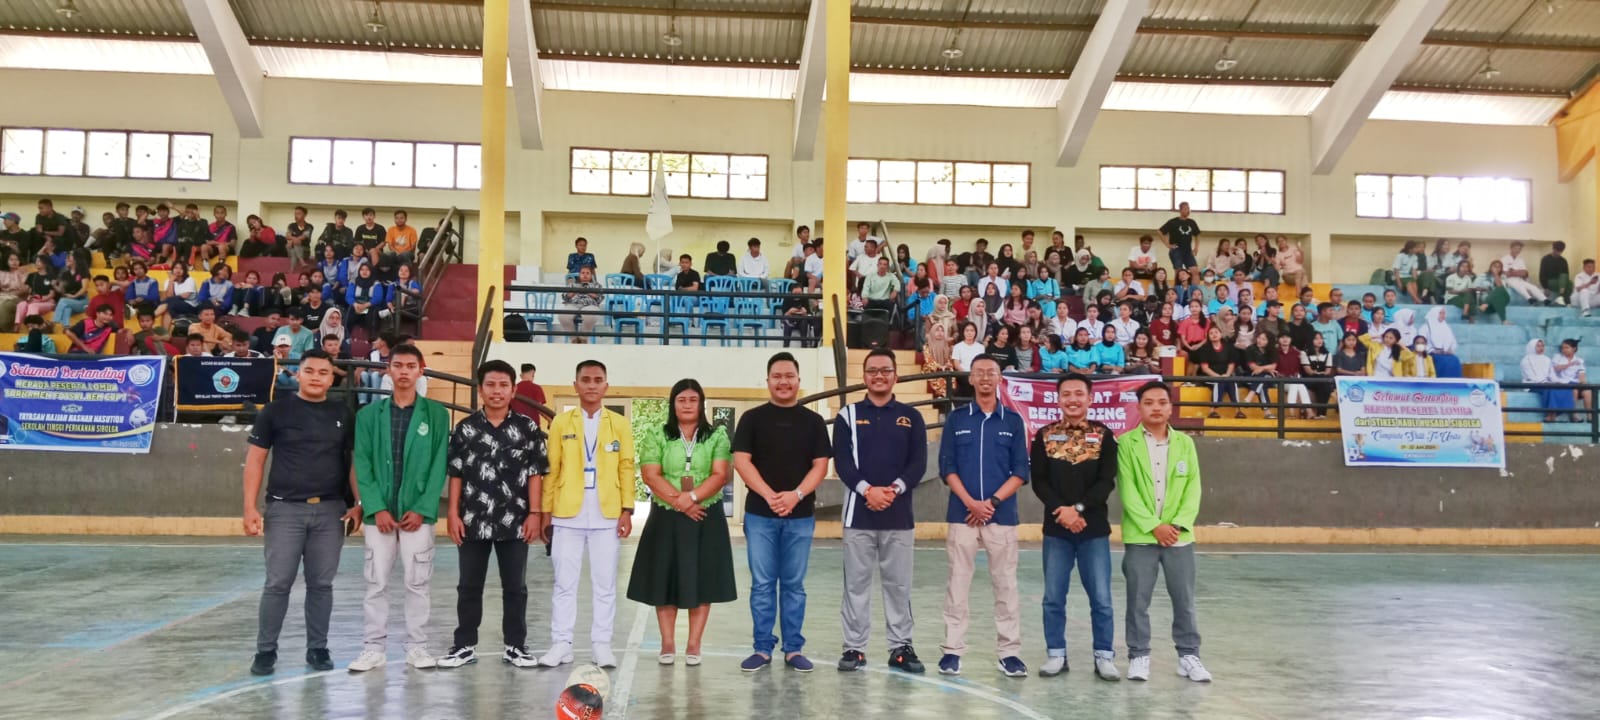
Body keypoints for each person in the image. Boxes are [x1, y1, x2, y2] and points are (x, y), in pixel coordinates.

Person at [242, 349, 360, 677]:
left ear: (332, 377)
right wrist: (249, 508)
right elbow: (255, 460)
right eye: (309, 371)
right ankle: (265, 651)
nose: (316, 377)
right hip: (284, 510)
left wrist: (359, 503)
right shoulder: (275, 412)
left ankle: (318, 649)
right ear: (298, 374)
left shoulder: (343, 413)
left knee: (321, 584)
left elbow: (352, 464)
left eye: (323, 372)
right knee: (278, 583)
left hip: (330, 511)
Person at [438, 360, 549, 670]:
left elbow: (535, 473)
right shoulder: (465, 428)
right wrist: (453, 514)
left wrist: (535, 513)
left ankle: (515, 646)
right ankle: (464, 645)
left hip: (516, 520)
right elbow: (456, 474)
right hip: (472, 520)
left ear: (513, 389)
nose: (497, 391)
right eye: (491, 384)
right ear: (480, 389)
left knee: (516, 586)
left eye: (503, 385)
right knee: (468, 586)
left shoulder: (527, 428)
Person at [347, 344, 450, 673]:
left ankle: (417, 647)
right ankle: (373, 648)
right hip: (381, 516)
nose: (404, 372)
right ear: (387, 371)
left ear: (421, 370)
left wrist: (422, 507)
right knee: (376, 582)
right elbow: (362, 464)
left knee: (417, 582)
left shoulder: (436, 414)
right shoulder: (367, 417)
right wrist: (375, 508)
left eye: (410, 366)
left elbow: (438, 467)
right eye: (397, 365)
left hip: (417, 516)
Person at [733, 352, 832, 672]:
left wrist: (796, 495)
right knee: (762, 584)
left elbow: (821, 465)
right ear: (768, 381)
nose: (783, 381)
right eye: (777, 376)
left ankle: (793, 648)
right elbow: (742, 461)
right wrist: (771, 496)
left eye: (789, 376)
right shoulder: (751, 419)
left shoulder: (813, 422)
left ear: (798, 380)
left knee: (793, 584)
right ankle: (762, 648)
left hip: (800, 516)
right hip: (760, 516)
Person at [628, 379, 737, 667]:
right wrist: (680, 501)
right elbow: (651, 473)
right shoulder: (657, 434)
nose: (687, 405)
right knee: (665, 577)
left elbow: (720, 474)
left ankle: (694, 643)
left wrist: (692, 498)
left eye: (692, 400)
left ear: (701, 403)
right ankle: (667, 641)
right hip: (666, 515)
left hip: (706, 514)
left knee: (703, 579)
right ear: (672, 404)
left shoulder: (716, 436)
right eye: (681, 400)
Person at [831, 350, 927, 674]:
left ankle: (900, 647)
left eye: (885, 370)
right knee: (855, 585)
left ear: (895, 375)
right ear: (865, 376)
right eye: (872, 370)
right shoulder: (847, 416)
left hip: (899, 518)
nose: (879, 375)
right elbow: (843, 463)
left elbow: (918, 464)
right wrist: (867, 491)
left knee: (898, 585)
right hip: (858, 517)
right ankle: (854, 649)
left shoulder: (911, 417)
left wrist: (893, 490)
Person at [936, 354, 1030, 678]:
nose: (986, 378)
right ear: (971, 379)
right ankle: (952, 651)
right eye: (980, 373)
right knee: (957, 585)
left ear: (1000, 378)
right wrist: (970, 503)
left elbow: (1020, 471)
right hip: (962, 516)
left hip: (1001, 517)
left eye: (992, 372)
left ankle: (1009, 653)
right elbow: (947, 467)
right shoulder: (957, 419)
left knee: (1005, 586)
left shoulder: (1013, 422)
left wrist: (989, 502)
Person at [540, 360, 635, 669]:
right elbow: (552, 469)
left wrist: (626, 509)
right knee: (564, 583)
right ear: (575, 385)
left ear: (606, 386)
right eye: (586, 380)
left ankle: (601, 644)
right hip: (567, 513)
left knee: (605, 583)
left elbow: (626, 467)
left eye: (598, 380)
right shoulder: (561, 423)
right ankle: (561, 643)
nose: (592, 385)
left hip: (607, 513)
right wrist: (545, 512)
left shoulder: (619, 424)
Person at [1031, 374, 1121, 680]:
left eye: (1078, 394)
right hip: (1057, 531)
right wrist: (1062, 511)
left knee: (1101, 599)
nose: (1072, 399)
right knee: (1053, 597)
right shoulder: (1044, 435)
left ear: (1089, 398)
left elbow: (1106, 481)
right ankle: (1056, 653)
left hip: (1093, 530)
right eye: (1066, 394)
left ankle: (1104, 656)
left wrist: (1079, 510)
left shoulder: (1104, 436)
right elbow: (1040, 481)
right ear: (1058, 399)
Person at [1118, 382, 1210, 683]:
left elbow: (1193, 489)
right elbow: (1128, 491)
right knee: (1137, 600)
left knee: (1184, 599)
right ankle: (1139, 655)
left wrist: (1179, 525)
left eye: (1161, 402)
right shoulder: (1126, 444)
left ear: (1170, 407)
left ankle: (1188, 656)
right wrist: (1153, 526)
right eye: (1148, 402)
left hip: (1179, 538)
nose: (1155, 407)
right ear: (1139, 407)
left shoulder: (1185, 444)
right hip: (1141, 536)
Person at [1521, 340, 1573, 422]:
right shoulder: (1526, 360)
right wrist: (1546, 382)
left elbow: (1551, 374)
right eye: (1538, 346)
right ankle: (1549, 415)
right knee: (1549, 388)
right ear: (1532, 347)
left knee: (1564, 387)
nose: (1541, 348)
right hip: (1532, 384)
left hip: (1547, 383)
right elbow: (1531, 377)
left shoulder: (1547, 359)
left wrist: (1558, 381)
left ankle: (1557, 413)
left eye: (1542, 346)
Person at [562, 265, 604, 343]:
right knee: (563, 316)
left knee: (591, 315)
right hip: (573, 304)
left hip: (590, 305)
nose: (585, 275)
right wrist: (574, 292)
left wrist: (588, 291)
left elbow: (600, 298)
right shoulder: (572, 284)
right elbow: (565, 297)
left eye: (587, 273)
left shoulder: (596, 285)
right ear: (579, 274)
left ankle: (583, 338)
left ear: (591, 275)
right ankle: (574, 339)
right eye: (582, 273)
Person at [1501, 241, 1549, 306]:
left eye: (1519, 249)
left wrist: (1514, 272)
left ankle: (1545, 300)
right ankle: (1529, 299)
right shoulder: (1504, 259)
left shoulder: (1520, 260)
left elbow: (1525, 273)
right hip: (1509, 280)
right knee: (1518, 286)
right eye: (1516, 248)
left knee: (1532, 287)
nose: (1517, 250)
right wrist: (1518, 272)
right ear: (1511, 248)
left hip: (1520, 279)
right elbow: (1506, 273)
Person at [1554, 339, 1591, 421]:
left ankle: (1590, 416)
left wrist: (1583, 382)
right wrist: (1570, 364)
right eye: (1563, 348)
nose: (1564, 350)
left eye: (1567, 347)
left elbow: (1581, 375)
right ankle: (1574, 415)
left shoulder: (1579, 360)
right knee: (1574, 389)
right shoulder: (1557, 357)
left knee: (1587, 391)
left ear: (1574, 349)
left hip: (1575, 384)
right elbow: (1557, 368)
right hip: (1562, 383)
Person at [1157, 202, 1200, 271]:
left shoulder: (1192, 222)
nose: (1188, 211)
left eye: (1188, 208)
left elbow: (1197, 234)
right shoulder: (1173, 222)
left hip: (1188, 250)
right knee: (1179, 271)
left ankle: (1194, 282)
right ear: (1180, 210)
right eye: (1185, 209)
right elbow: (1160, 231)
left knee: (1194, 270)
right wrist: (1167, 244)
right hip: (1176, 250)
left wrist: (1196, 247)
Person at [1539, 241, 1572, 306]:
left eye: (1560, 251)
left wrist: (1565, 282)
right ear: (1553, 249)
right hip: (1550, 282)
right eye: (1557, 251)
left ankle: (1562, 299)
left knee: (1569, 283)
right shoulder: (1545, 259)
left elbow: (1566, 275)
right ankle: (1563, 299)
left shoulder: (1563, 261)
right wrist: (1545, 287)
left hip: (1561, 283)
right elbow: (1542, 274)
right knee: (1564, 278)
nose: (1558, 253)